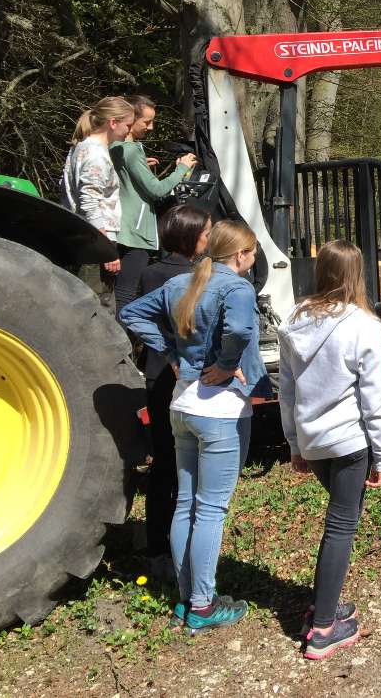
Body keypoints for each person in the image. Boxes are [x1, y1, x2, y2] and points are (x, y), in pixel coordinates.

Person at [119, 219, 266, 634]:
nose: (253, 261)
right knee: (212, 510)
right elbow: (237, 329)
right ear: (240, 254)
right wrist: (226, 364)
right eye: (252, 253)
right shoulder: (236, 288)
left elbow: (131, 312)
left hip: (181, 406)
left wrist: (169, 352)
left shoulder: (182, 283)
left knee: (187, 503)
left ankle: (188, 599)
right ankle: (202, 605)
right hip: (218, 412)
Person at [278, 240, 381, 661]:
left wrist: (294, 443)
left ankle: (325, 604)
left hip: (313, 440)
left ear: (319, 271)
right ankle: (324, 627)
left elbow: (286, 391)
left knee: (339, 522)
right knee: (341, 527)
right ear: (356, 274)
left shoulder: (294, 319)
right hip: (348, 442)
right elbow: (373, 398)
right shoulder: (363, 325)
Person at [136, 204, 212, 582]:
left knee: (164, 463)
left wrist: (163, 351)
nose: (210, 238)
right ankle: (189, 545)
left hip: (156, 376)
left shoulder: (148, 272)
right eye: (206, 232)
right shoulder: (198, 276)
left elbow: (138, 318)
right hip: (189, 378)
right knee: (190, 465)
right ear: (191, 236)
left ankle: (158, 549)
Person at [111, 94, 198, 312]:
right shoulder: (130, 151)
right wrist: (182, 168)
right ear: (130, 120)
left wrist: (141, 168)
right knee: (127, 296)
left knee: (117, 293)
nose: (151, 127)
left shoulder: (116, 148)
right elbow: (157, 189)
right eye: (146, 122)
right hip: (135, 233)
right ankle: (125, 344)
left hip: (122, 229)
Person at [61, 96, 135, 282]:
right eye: (128, 125)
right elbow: (90, 202)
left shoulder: (80, 147)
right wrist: (106, 247)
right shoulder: (97, 155)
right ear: (113, 123)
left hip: (81, 235)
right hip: (94, 243)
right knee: (97, 303)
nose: (129, 131)